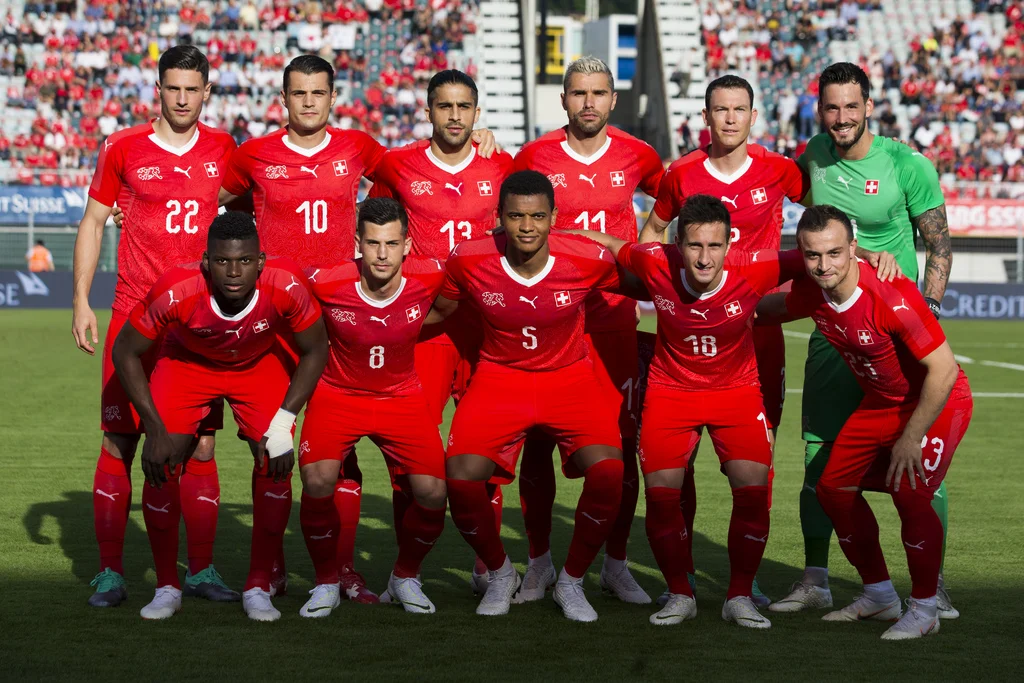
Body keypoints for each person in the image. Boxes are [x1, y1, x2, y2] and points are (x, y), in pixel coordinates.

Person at [773, 62, 957, 618]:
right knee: (818, 453)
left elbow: (940, 246)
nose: (841, 118)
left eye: (851, 107)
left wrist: (925, 313)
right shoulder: (812, 156)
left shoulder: (907, 163)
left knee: (917, 461)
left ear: (869, 106)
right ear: (819, 110)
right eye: (831, 107)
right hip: (834, 333)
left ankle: (934, 583)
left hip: (893, 334)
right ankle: (816, 577)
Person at [575, 195, 803, 629]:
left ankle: (739, 596)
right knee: (662, 496)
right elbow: (603, 242)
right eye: (695, 246)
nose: (704, 258)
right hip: (670, 391)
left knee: (753, 491)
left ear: (729, 243)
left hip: (736, 392)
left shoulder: (755, 266)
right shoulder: (654, 260)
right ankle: (680, 592)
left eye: (715, 246)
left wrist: (866, 254)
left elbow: (816, 255)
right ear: (677, 243)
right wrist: (549, 234)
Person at [71, 45, 238, 608]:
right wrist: (80, 300)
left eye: (193, 88)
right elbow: (94, 221)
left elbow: (265, 195)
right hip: (132, 315)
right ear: (158, 89)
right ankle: (111, 573)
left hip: (198, 323)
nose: (183, 98)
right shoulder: (122, 147)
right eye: (173, 87)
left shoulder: (225, 149)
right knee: (119, 441)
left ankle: (202, 570)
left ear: (207, 91)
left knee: (203, 446)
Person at [756, 205, 972, 640]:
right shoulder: (814, 291)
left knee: (910, 496)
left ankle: (926, 607)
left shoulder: (892, 295)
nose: (824, 265)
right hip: (882, 402)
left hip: (937, 401)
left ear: (854, 249)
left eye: (835, 253)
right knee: (833, 490)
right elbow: (766, 309)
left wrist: (912, 438)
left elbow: (944, 370)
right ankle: (879, 595)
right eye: (813, 256)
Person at [430, 170, 636, 622]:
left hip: (569, 378)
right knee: (461, 478)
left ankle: (572, 581)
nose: (527, 227)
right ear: (499, 217)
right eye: (517, 216)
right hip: (501, 377)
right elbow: (438, 309)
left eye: (538, 216)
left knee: (609, 473)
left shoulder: (586, 257)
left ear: (554, 218)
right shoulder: (468, 257)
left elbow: (644, 283)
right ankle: (502, 573)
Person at [639, 74, 810, 606]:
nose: (730, 118)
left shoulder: (781, 170)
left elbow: (824, 221)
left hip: (759, 330)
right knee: (677, 459)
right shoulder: (682, 173)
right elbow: (651, 235)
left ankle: (745, 578)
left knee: (758, 458)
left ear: (753, 116)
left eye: (739, 109)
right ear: (706, 117)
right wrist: (661, 289)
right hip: (692, 332)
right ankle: (682, 576)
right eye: (720, 109)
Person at [111, 211, 328, 621]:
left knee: (275, 460)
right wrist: (154, 428)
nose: (233, 272)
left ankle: (258, 585)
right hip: (188, 364)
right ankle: (166, 587)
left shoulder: (287, 285)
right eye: (223, 261)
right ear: (206, 261)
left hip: (257, 364)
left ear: (260, 261)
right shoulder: (177, 290)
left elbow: (317, 349)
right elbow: (125, 350)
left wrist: (283, 424)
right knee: (160, 460)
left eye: (245, 261)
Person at [510, 55, 665, 605]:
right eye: (579, 93)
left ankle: (615, 564)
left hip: (614, 322)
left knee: (621, 445)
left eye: (599, 93)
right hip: (551, 321)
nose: (589, 102)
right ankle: (539, 562)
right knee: (537, 441)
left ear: (613, 99)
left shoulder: (638, 155)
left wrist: (641, 252)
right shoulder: (534, 156)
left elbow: (665, 203)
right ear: (564, 99)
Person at [367, 68, 514, 594]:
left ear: (477, 114)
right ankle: (408, 571)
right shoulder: (398, 165)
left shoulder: (501, 165)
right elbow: (374, 224)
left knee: (486, 451)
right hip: (424, 328)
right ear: (428, 110)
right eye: (444, 106)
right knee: (413, 452)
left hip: (486, 326)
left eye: (464, 107)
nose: (454, 115)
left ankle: (487, 567)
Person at [298, 198, 448, 617]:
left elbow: (452, 304)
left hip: (402, 396)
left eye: (392, 244)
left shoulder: (431, 275)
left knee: (434, 493)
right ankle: (326, 581)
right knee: (317, 480)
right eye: (373, 243)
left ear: (408, 245)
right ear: (357, 242)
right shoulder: (327, 282)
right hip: (338, 393)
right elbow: (274, 271)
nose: (382, 254)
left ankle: (405, 576)